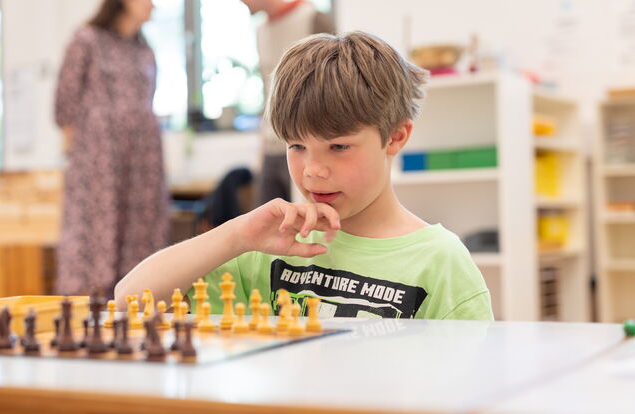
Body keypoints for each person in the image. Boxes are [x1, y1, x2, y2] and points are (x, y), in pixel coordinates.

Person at [115, 31, 493, 320]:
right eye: (296, 146)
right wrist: (236, 235)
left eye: (339, 147)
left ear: (395, 136)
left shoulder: (440, 261)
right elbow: (128, 300)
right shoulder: (268, 247)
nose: (312, 170)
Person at [54, 0, 169, 295]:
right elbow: (64, 106)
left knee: (140, 230)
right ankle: (88, 308)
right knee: (96, 231)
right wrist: (84, 155)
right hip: (99, 157)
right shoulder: (86, 40)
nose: (153, 4)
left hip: (142, 158)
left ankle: (138, 294)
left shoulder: (145, 48)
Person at [240, 0, 335, 205]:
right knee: (268, 227)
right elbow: (268, 96)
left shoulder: (313, 19)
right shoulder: (261, 31)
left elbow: (333, 90)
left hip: (308, 148)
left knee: (311, 227)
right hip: (272, 149)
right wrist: (261, 148)